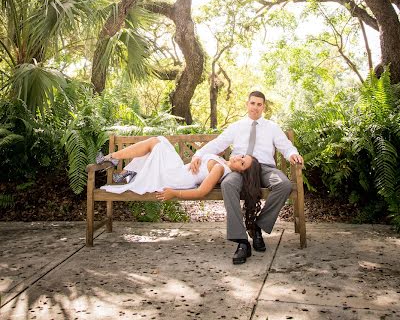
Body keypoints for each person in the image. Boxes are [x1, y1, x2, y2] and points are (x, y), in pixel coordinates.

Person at [189, 91, 304, 265]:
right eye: (253, 103)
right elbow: (218, 143)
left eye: (259, 104)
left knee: (283, 184)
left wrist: (293, 154)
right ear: (247, 104)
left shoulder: (272, 127)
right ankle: (242, 242)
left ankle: (257, 227)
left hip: (264, 169)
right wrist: (198, 154)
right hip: (240, 169)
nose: (255, 107)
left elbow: (286, 146)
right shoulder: (237, 126)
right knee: (228, 184)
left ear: (263, 107)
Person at [96, 136, 263, 235]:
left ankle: (115, 160)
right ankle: (125, 171)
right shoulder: (221, 161)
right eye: (242, 157)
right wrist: (198, 158)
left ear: (241, 172)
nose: (238, 159)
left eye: (242, 164)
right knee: (159, 141)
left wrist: (175, 194)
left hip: (177, 178)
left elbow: (201, 192)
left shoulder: (220, 168)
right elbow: (209, 152)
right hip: (179, 170)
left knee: (157, 143)